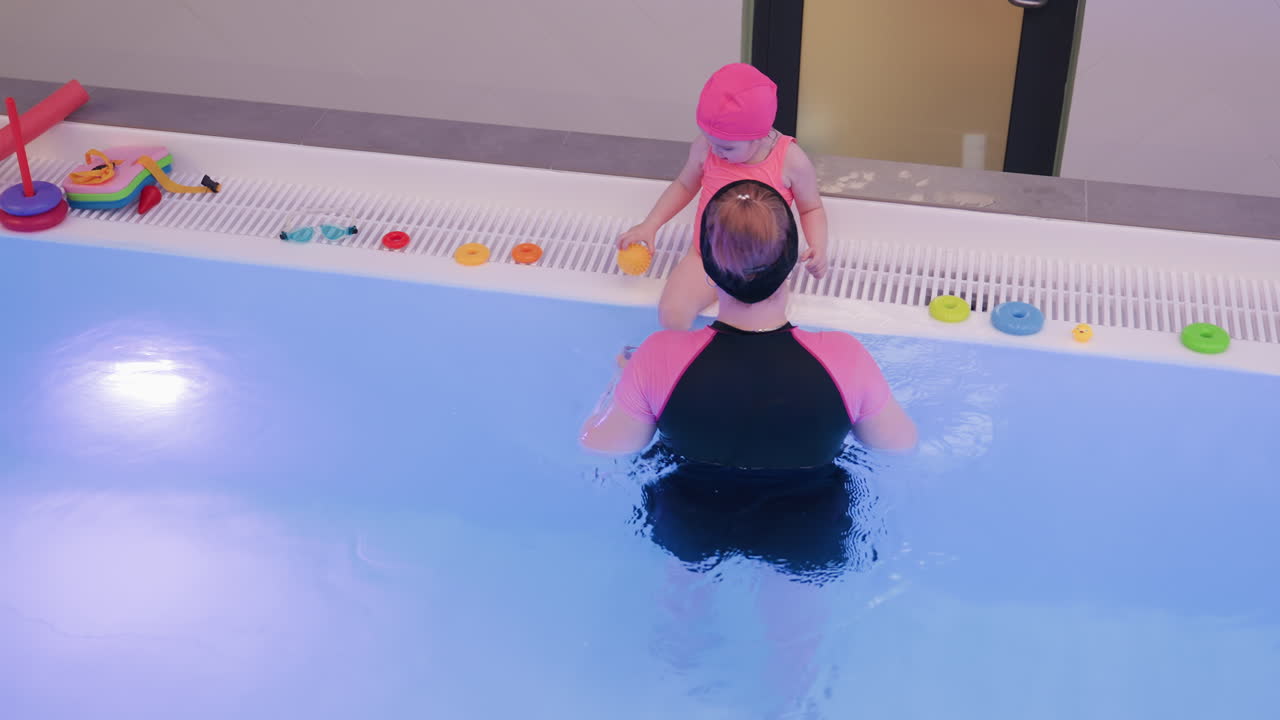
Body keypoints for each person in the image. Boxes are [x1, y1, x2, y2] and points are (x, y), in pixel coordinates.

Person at [584, 179, 916, 462]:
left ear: (708, 271)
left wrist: (621, 379)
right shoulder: (847, 358)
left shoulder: (656, 358)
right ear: (790, 264)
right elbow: (900, 444)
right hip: (815, 532)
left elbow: (600, 444)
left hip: (686, 532)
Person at [616, 62, 832, 331]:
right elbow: (684, 185)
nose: (715, 151)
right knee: (671, 314)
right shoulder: (707, 147)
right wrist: (650, 224)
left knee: (763, 329)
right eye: (710, 140)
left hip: (762, 267)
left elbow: (811, 208)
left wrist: (818, 246)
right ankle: (681, 367)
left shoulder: (790, 161)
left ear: (760, 136)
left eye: (726, 146)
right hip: (706, 257)